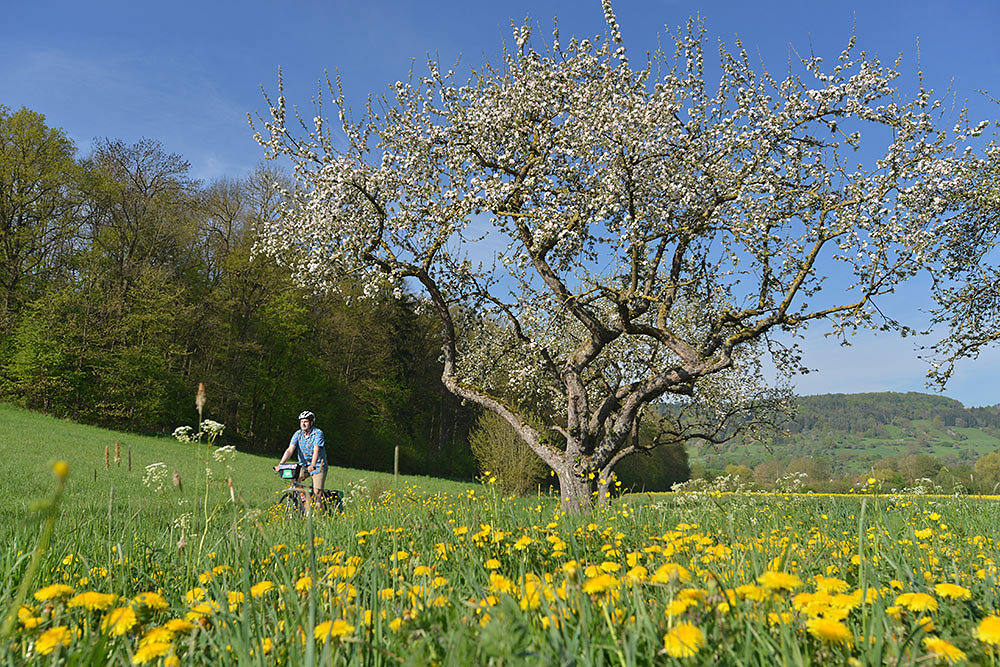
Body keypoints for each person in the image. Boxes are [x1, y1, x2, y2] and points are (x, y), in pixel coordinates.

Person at [275, 410, 328, 510]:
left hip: (318, 465)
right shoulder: (298, 434)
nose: (303, 424)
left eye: (306, 421)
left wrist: (312, 465)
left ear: (311, 422)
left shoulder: (318, 433)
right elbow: (290, 449)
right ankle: (304, 501)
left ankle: (320, 518)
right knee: (295, 480)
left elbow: (316, 449)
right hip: (303, 465)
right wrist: (281, 464)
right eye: (301, 421)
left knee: (317, 494)